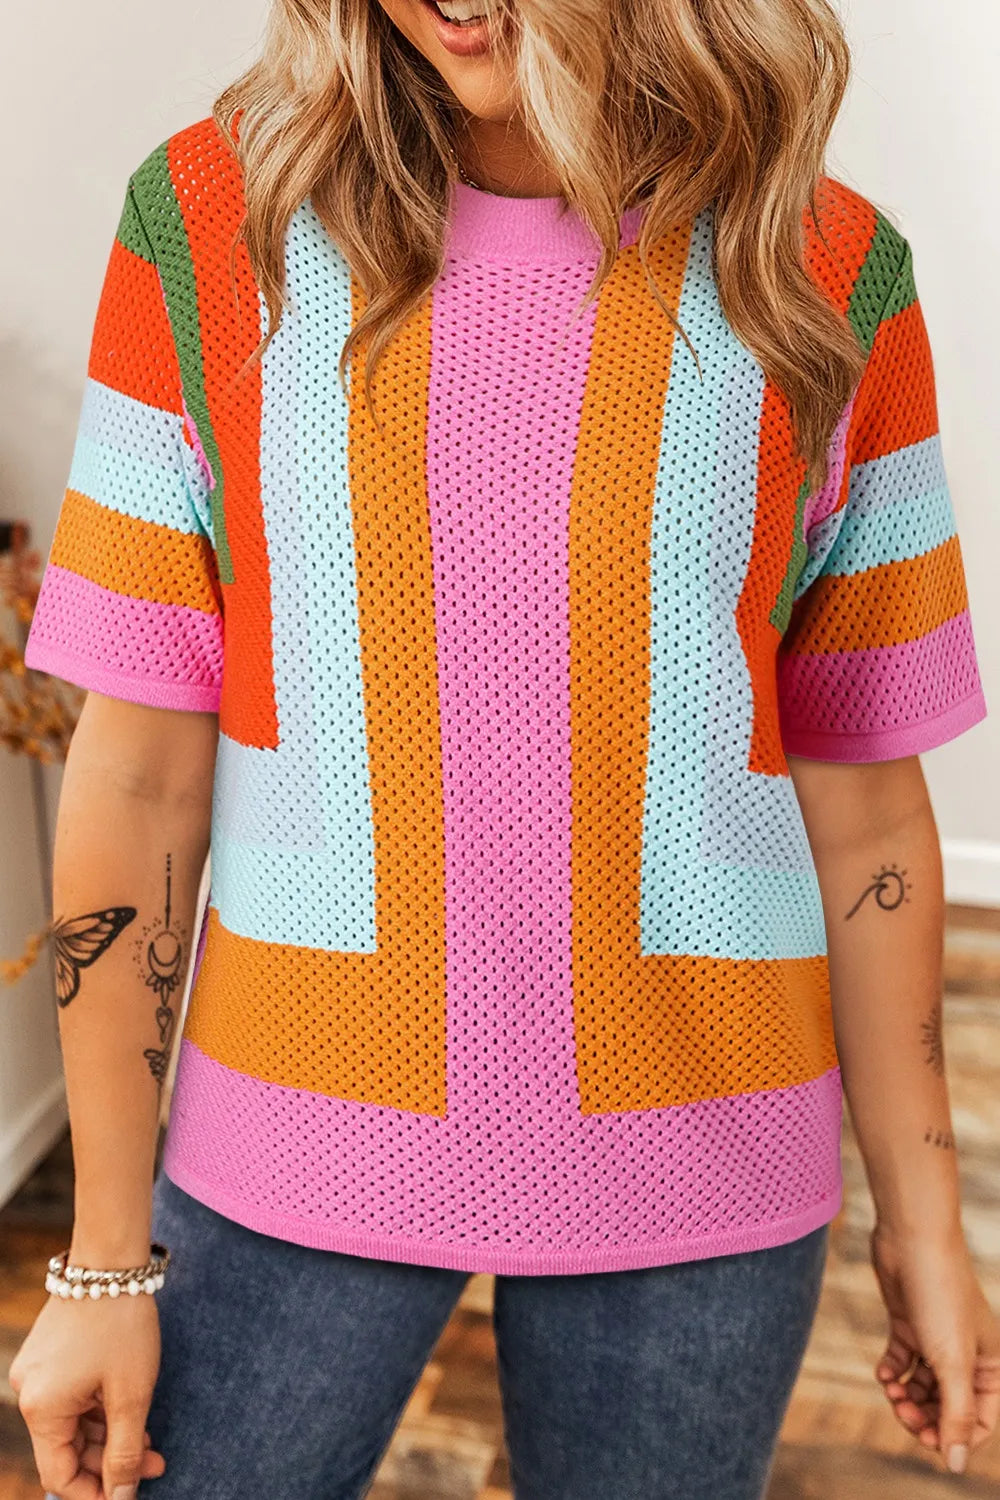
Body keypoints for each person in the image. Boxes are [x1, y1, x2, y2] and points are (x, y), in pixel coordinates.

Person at [8, 0, 1000, 1495]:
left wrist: (924, 1221)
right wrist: (99, 1261)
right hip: (289, 1146)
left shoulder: (823, 269)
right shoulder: (211, 228)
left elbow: (865, 812)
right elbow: (141, 773)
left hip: (707, 1172)